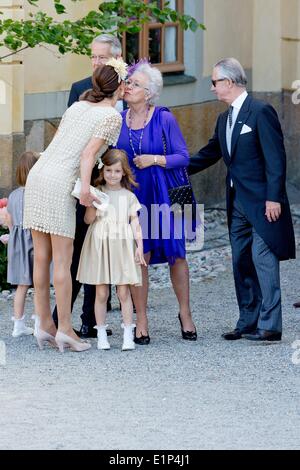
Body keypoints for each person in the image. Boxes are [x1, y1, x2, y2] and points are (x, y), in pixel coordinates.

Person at [189, 58, 295, 342]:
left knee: (263, 259)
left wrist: (274, 198)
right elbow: (211, 153)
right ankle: (248, 321)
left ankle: (271, 325)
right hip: (236, 201)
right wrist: (173, 167)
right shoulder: (224, 118)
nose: (212, 88)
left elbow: (276, 158)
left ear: (230, 82)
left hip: (262, 202)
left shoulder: (260, 111)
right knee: (241, 261)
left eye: (214, 82)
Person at [23, 59, 126, 353]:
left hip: (39, 174)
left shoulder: (77, 107)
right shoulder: (111, 116)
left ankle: (44, 323)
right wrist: (84, 190)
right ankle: (65, 329)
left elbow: (58, 144)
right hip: (60, 183)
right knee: (64, 262)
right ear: (118, 86)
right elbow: (87, 156)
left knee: (41, 256)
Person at [116, 61, 197, 344]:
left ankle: (185, 314)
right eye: (128, 83)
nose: (128, 87)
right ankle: (141, 320)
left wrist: (155, 160)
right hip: (135, 197)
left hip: (164, 193)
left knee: (177, 254)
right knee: (140, 256)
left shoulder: (164, 118)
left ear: (149, 93)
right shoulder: (119, 119)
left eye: (135, 84)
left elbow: (183, 156)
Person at [53, 34, 124, 339]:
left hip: (120, 179)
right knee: (82, 245)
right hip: (88, 182)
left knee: (108, 248)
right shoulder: (80, 89)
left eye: (101, 58)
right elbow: (72, 138)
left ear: (117, 60)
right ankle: (64, 319)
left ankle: (96, 318)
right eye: (92, 57)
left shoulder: (130, 88)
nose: (95, 63)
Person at [77, 149, 146, 351]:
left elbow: (135, 223)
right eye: (109, 170)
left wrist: (139, 246)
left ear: (124, 172)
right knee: (101, 292)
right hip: (100, 244)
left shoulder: (129, 196)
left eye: (117, 171)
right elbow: (88, 220)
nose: (112, 175)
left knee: (124, 292)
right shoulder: (97, 193)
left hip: (122, 244)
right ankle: (100, 334)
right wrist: (94, 205)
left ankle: (127, 335)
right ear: (102, 170)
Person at [4, 152, 39, 338]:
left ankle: (18, 324)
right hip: (33, 241)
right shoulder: (37, 195)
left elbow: (9, 220)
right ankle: (40, 322)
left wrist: (12, 236)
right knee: (39, 285)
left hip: (18, 243)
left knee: (21, 286)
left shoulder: (13, 195)